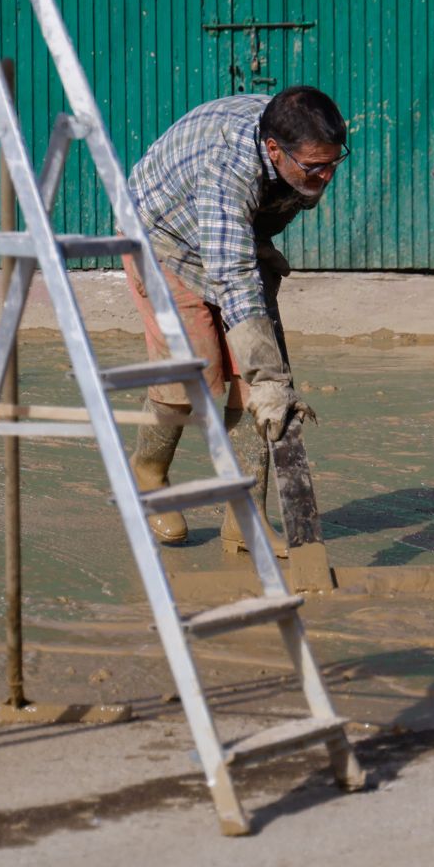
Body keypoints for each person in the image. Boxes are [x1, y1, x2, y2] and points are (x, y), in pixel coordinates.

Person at [122, 85, 349, 549]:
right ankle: (147, 474)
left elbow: (238, 249)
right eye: (314, 167)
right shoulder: (228, 166)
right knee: (193, 374)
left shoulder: (298, 142)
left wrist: (265, 380)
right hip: (162, 237)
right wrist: (268, 373)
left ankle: (245, 518)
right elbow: (233, 274)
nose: (326, 176)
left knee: (260, 388)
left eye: (333, 163)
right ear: (272, 150)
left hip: (228, 235)